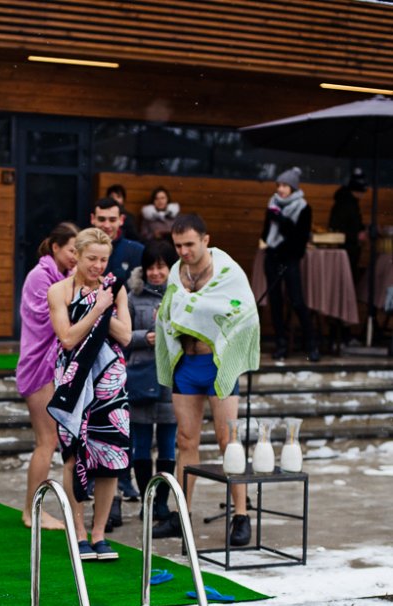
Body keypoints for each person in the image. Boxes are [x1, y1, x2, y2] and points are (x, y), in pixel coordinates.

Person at [155, 213, 260, 547]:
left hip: (219, 363)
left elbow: (244, 314)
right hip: (187, 363)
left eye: (189, 244)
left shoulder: (228, 272)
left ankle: (241, 514)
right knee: (185, 440)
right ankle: (182, 514)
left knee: (227, 439)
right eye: (178, 245)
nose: (183, 251)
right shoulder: (177, 271)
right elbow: (170, 314)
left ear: (205, 240)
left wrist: (193, 304)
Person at [47, 227, 132, 561]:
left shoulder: (116, 289)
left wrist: (106, 304)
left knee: (110, 455)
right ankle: (79, 531)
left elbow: (125, 334)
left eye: (104, 259)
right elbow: (66, 338)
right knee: (73, 453)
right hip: (74, 378)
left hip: (110, 378)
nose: (98, 265)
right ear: (77, 256)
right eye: (91, 258)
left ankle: (99, 534)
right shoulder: (60, 291)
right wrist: (98, 309)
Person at [16, 221, 79, 530]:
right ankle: (31, 512)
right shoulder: (40, 277)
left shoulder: (65, 277)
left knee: (52, 440)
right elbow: (52, 320)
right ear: (55, 247)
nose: (76, 257)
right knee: (47, 440)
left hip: (57, 367)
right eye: (72, 250)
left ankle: (35, 509)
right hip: (39, 366)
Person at [125, 238, 179, 537]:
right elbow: (120, 333)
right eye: (151, 268)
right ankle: (147, 501)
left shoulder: (182, 295)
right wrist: (143, 337)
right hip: (141, 376)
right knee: (142, 445)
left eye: (161, 267)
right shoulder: (133, 296)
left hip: (171, 379)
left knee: (169, 445)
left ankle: (162, 502)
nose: (156, 273)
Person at [91, 195, 144, 502]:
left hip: (125, 349)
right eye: (102, 219)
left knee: (124, 422)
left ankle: (124, 481)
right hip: (86, 352)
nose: (107, 225)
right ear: (92, 218)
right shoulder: (86, 249)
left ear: (121, 220)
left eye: (113, 219)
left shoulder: (134, 251)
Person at [261, 166, 319, 362]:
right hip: (272, 258)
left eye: (285, 185)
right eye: (279, 185)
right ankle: (281, 344)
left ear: (293, 188)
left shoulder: (303, 207)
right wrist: (270, 245)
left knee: (296, 301)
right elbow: (265, 232)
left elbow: (298, 239)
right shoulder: (272, 205)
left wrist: (281, 220)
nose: (280, 189)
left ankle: (311, 344)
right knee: (275, 303)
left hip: (290, 259)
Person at [328, 167, 368, 283]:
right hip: (345, 249)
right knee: (346, 278)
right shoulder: (345, 204)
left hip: (351, 247)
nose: (363, 194)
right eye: (362, 191)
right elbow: (336, 228)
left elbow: (354, 223)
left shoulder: (352, 203)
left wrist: (362, 228)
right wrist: (356, 235)